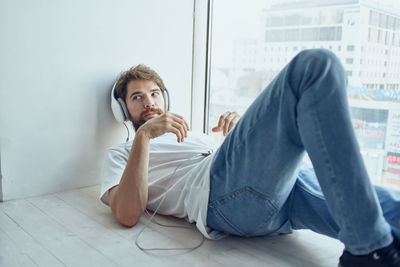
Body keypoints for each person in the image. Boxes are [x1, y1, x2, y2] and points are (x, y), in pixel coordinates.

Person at [100, 49, 400, 267]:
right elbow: (126, 214)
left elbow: (249, 169)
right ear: (124, 110)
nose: (149, 102)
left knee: (388, 212)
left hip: (278, 196)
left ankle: (372, 247)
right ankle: (366, 253)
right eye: (137, 97)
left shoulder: (196, 135)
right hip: (224, 203)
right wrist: (143, 137)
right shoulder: (121, 153)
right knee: (314, 66)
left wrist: (243, 135)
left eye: (154, 93)